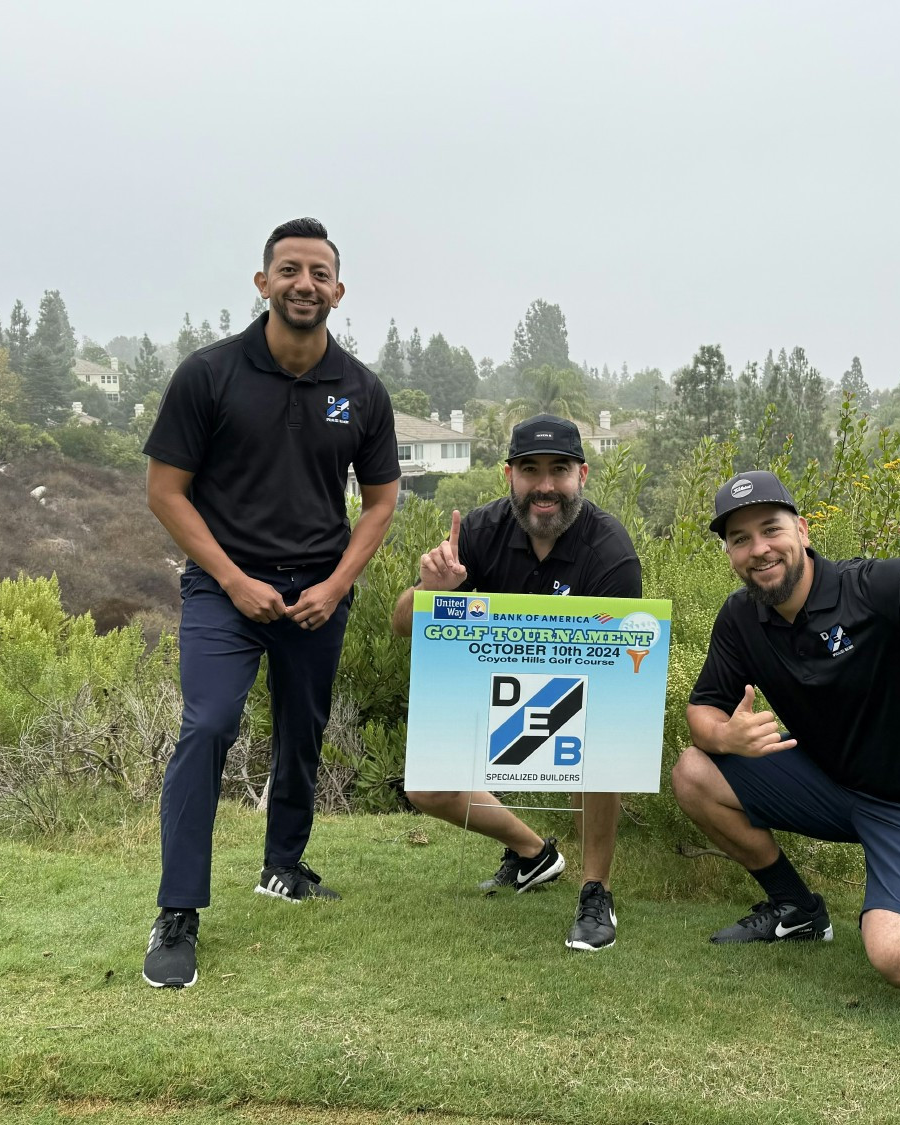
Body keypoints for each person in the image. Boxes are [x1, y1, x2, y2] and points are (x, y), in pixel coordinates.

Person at [140, 217, 400, 988]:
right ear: (262, 283)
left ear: (338, 291)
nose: (304, 284)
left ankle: (283, 865)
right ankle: (178, 910)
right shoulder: (210, 374)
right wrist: (232, 579)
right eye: (289, 270)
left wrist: (335, 584)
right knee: (210, 723)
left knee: (302, 728)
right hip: (226, 587)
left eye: (319, 273)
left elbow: (381, 501)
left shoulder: (360, 390)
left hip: (318, 588)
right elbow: (165, 491)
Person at [672, 417, 900, 989]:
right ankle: (797, 910)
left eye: (770, 529)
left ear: (803, 530)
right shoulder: (740, 618)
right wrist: (724, 737)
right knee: (693, 770)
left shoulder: (875, 588)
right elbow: (702, 711)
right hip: (838, 789)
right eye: (739, 539)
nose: (758, 550)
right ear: (729, 552)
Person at [392, 415, 642, 951]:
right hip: (490, 684)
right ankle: (535, 853)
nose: (546, 485)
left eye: (560, 470)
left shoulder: (611, 550)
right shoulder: (479, 531)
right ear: (509, 475)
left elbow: (620, 678)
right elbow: (403, 627)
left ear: (583, 475)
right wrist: (431, 593)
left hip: (579, 694)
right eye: (531, 470)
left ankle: (595, 888)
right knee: (425, 787)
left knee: (607, 738)